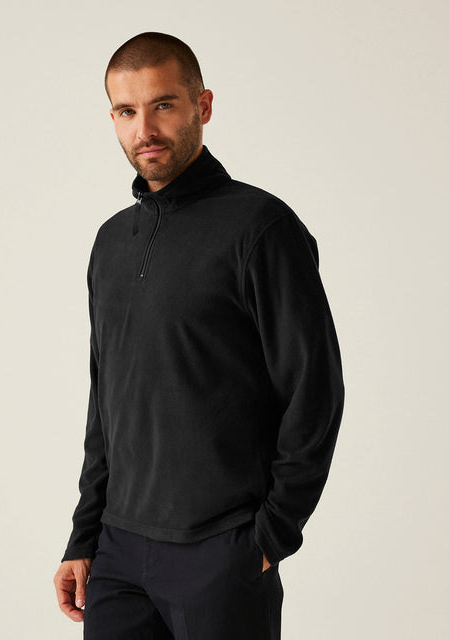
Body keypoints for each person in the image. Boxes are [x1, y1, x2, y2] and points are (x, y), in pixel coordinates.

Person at [53, 32, 345, 640]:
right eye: (126, 111)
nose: (145, 129)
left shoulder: (261, 228)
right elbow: (106, 400)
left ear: (203, 106)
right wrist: (84, 537)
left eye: (163, 105)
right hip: (117, 554)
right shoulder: (111, 242)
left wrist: (271, 535)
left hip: (221, 550)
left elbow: (313, 391)